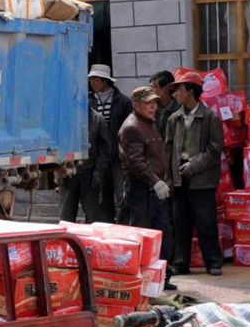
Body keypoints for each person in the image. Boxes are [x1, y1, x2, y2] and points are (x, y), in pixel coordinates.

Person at [165, 68, 224, 276]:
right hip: (179, 177)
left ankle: (213, 262)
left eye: (178, 89)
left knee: (206, 222)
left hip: (202, 178)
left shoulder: (210, 117)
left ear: (190, 90)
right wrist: (169, 179)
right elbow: (168, 150)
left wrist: (195, 165)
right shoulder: (174, 119)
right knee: (180, 222)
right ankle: (181, 262)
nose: (175, 94)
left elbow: (214, 150)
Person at [118, 86, 172, 265]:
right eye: (148, 103)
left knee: (162, 231)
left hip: (155, 188)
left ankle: (163, 273)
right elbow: (136, 162)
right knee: (142, 233)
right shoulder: (132, 127)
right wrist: (155, 181)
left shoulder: (149, 123)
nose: (153, 107)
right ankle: (142, 272)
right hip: (141, 189)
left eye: (155, 102)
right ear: (136, 104)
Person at [88, 63, 132, 222]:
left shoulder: (123, 101)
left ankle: (122, 224)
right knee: (101, 195)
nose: (92, 83)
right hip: (98, 156)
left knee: (121, 195)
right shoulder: (89, 101)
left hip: (117, 156)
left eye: (96, 79)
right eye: (91, 79)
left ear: (105, 81)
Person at [59, 102, 111, 224]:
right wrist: (59, 172)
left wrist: (98, 172)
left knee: (93, 216)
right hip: (69, 173)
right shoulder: (66, 119)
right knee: (66, 215)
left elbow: (105, 149)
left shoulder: (97, 119)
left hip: (90, 174)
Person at [150, 70, 177, 138]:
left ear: (167, 87)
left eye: (154, 87)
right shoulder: (149, 108)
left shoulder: (180, 108)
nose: (151, 91)